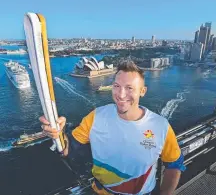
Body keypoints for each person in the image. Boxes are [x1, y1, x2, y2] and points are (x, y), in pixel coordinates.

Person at [40, 60, 185, 195]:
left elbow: (174, 164)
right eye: (116, 86)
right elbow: (68, 148)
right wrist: (58, 132)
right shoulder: (96, 117)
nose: (121, 95)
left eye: (129, 88)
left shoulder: (160, 126)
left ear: (142, 91)